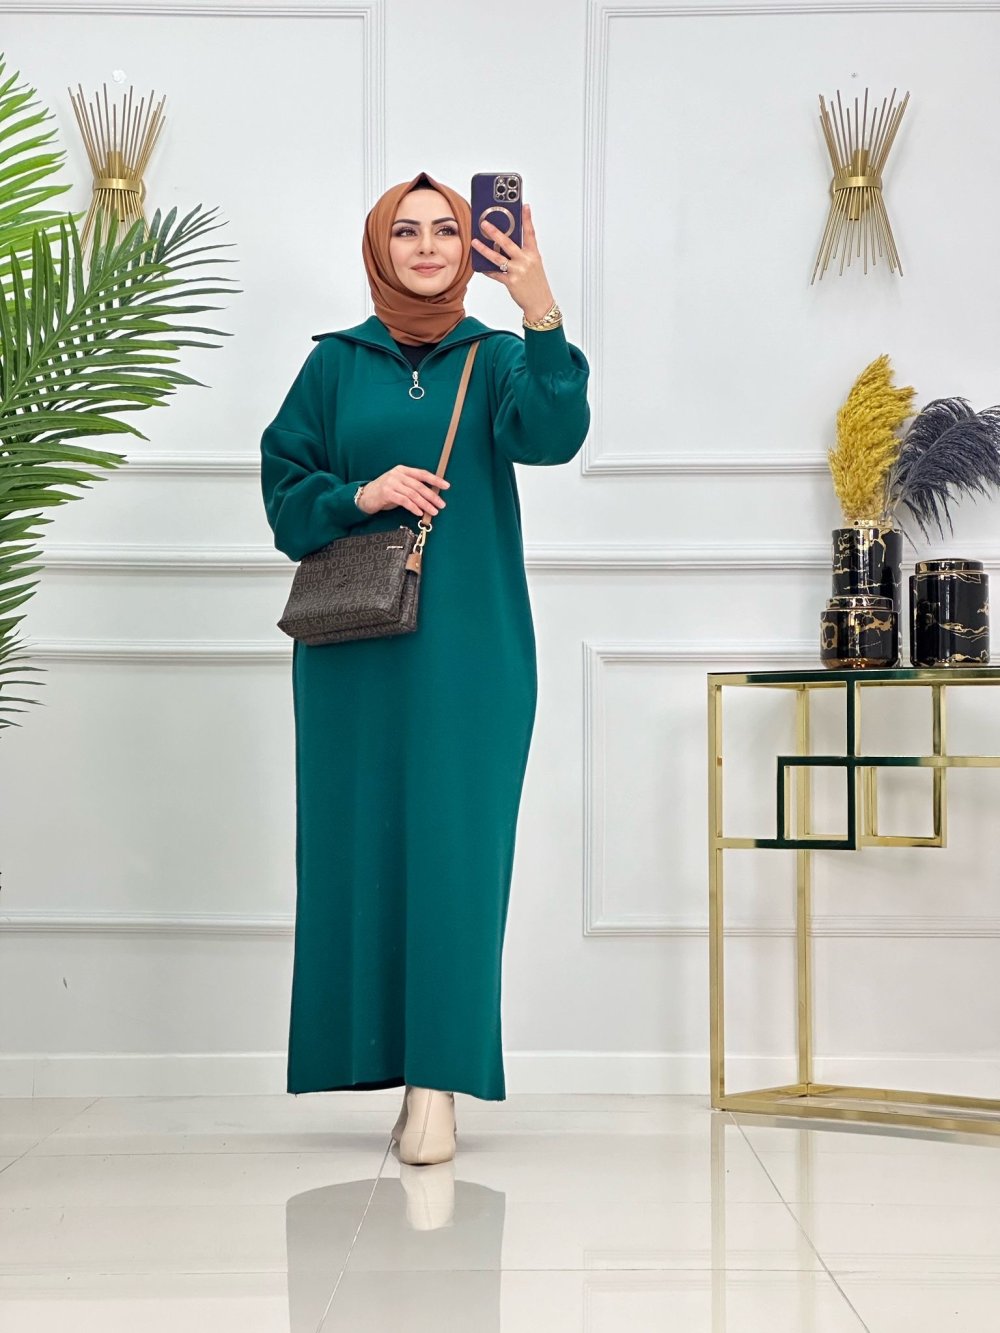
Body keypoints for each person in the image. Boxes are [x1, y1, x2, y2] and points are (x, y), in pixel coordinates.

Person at [259, 170, 590, 1165]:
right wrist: (361, 494)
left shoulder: (496, 358)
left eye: (447, 228)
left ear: (469, 247)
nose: (429, 245)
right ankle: (386, 1066)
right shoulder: (334, 366)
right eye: (406, 231)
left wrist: (539, 309)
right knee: (357, 851)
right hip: (351, 657)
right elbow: (285, 493)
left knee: (456, 859)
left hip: (472, 654)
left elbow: (554, 435)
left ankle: (437, 1084)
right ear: (379, 249)